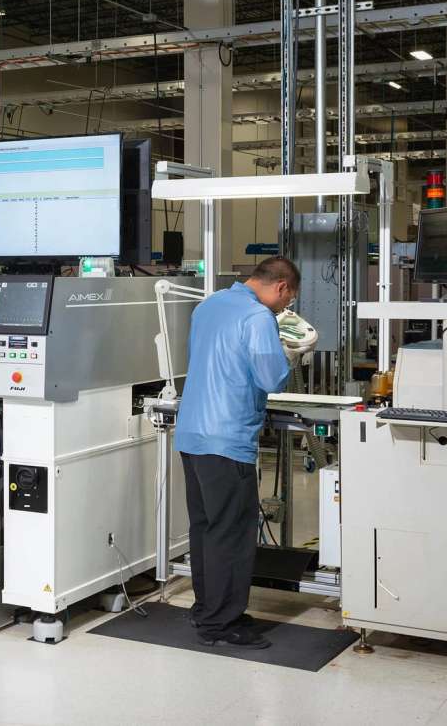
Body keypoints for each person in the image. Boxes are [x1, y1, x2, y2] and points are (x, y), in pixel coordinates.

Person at [174, 256, 298, 650]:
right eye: (289, 299)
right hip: (227, 439)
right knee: (231, 533)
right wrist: (292, 353)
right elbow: (271, 378)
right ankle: (220, 624)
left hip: (192, 433)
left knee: (206, 528)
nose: (286, 306)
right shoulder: (259, 317)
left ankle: (207, 609)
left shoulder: (208, 305)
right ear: (281, 287)